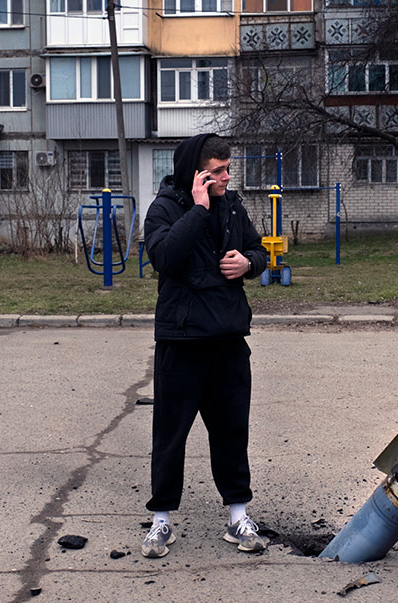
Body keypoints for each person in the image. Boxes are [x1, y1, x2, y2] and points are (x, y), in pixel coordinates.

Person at [141, 133, 269, 558]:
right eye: (218, 172)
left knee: (232, 431)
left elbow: (257, 248)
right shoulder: (164, 207)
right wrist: (198, 208)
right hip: (182, 339)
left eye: (228, 170)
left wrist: (251, 263)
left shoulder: (232, 205)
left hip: (229, 338)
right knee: (170, 435)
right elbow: (163, 257)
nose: (226, 178)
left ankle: (238, 516)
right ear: (195, 174)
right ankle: (161, 521)